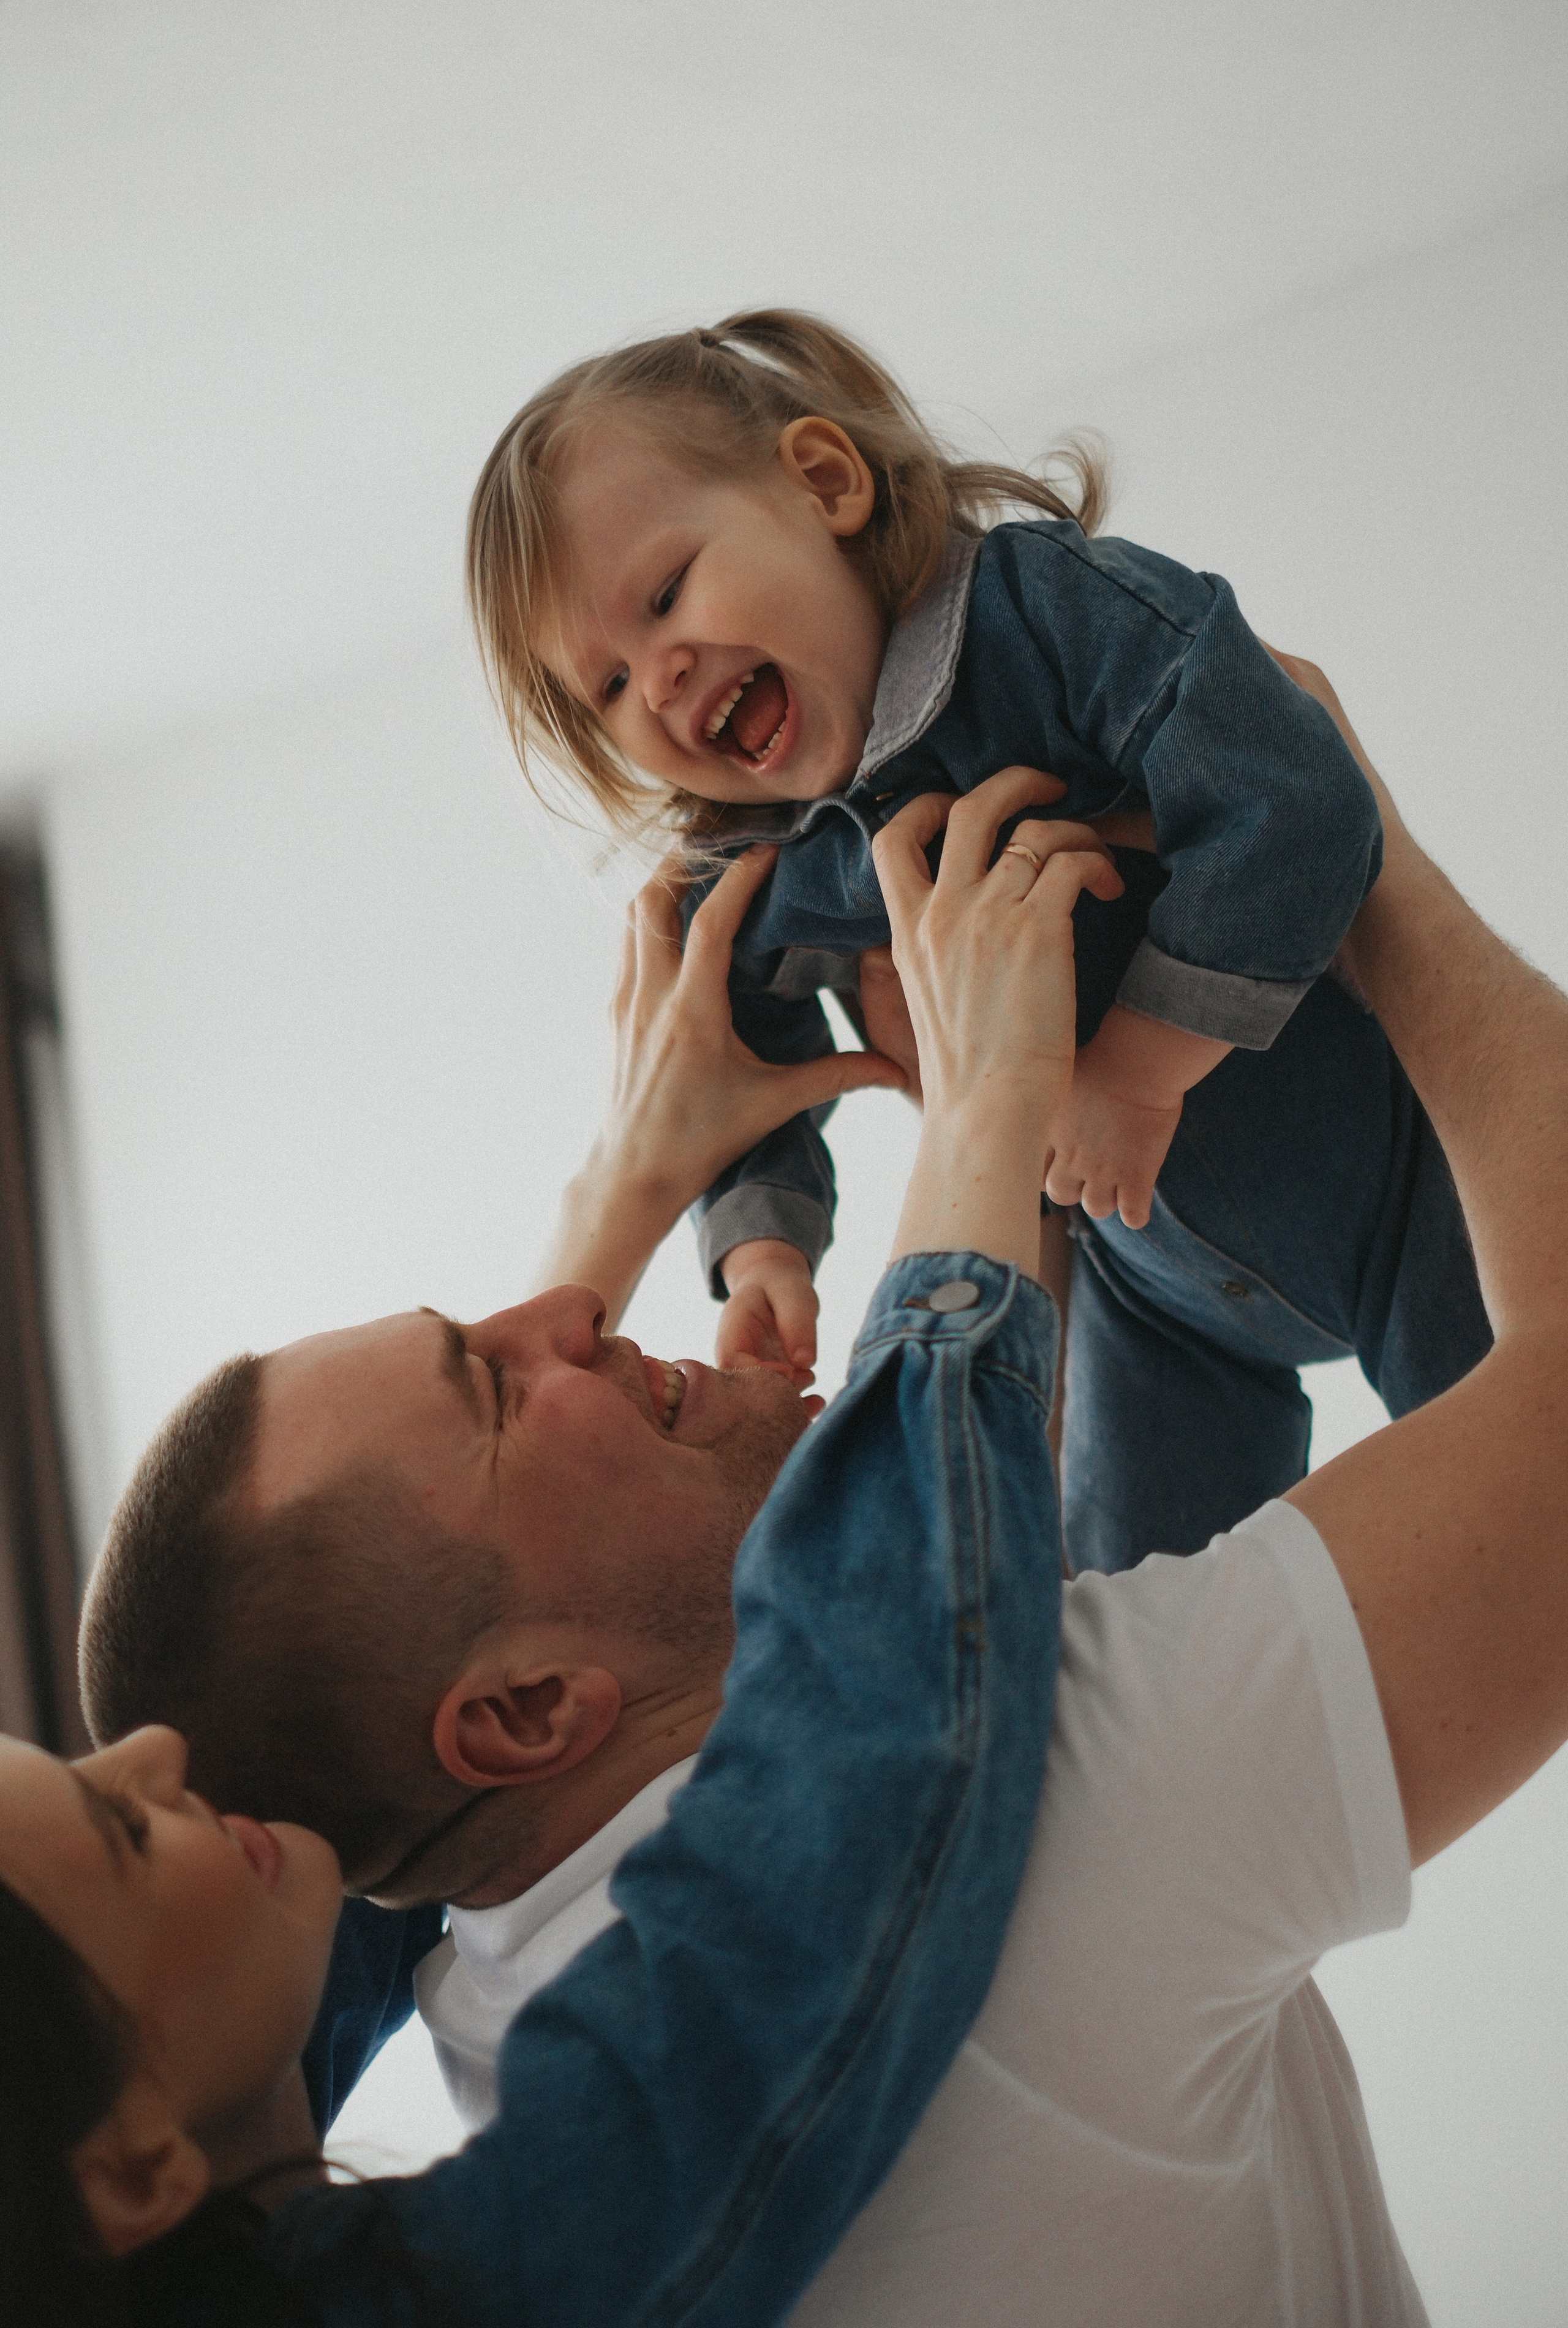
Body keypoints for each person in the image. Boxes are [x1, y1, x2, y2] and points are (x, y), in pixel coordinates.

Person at [84, 680, 1568, 2323]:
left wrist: (643, 1182)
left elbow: (368, 1719)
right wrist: (1366, 863)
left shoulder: (470, 1942)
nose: (568, 1317)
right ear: (525, 1714)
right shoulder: (1078, 1779)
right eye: (494, 1383)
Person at [1, 782, 1112, 2324]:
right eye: (123, 1832)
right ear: (126, 2173)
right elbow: (858, 1786)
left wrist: (630, 1183)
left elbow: (363, 1756)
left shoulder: (207, 2101)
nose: (160, 1758)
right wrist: (989, 1098)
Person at [464, 308, 1493, 1570]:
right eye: (607, 686)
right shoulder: (765, 857)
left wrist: (1134, 1068)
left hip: (1379, 1173)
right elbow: (733, 1052)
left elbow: (1287, 787)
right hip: (1146, 1290)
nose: (660, 676)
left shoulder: (1035, 617)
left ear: (824, 484)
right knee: (1108, 1608)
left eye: (666, 594)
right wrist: (763, 1253)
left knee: (1516, 1482)